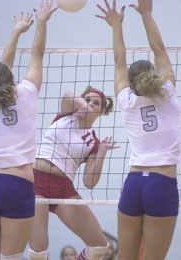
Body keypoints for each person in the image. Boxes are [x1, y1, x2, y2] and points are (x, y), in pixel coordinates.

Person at [96, 0, 181, 260]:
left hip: (134, 184)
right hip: (161, 184)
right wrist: (146, 14)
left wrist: (115, 26)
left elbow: (119, 61)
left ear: (131, 84)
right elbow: (158, 48)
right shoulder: (168, 92)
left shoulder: (127, 101)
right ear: (154, 75)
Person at [0, 0, 58, 260]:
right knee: (11, 257)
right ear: (12, 79)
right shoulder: (26, 93)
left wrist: (14, 32)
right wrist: (41, 23)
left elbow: (3, 69)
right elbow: (37, 55)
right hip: (16, 182)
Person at [28, 87, 118, 260]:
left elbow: (89, 182)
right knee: (38, 251)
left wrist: (102, 152)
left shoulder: (94, 142)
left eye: (96, 103)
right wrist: (83, 106)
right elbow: (67, 94)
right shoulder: (67, 114)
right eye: (87, 99)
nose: (90, 104)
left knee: (99, 246)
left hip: (63, 188)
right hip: (36, 181)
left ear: (101, 112)